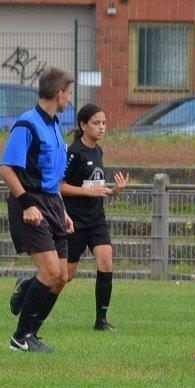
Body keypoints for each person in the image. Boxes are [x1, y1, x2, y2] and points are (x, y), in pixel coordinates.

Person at [0, 67, 76, 353]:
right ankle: (21, 337)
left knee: (62, 276)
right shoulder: (27, 124)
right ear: (59, 94)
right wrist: (27, 204)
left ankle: (31, 330)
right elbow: (6, 170)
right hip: (30, 202)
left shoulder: (55, 125)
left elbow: (53, 176)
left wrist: (63, 211)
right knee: (49, 270)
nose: (69, 99)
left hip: (52, 203)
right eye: (68, 93)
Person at [60, 103, 129, 330]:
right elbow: (60, 187)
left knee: (106, 262)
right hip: (75, 221)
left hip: (96, 219)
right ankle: (27, 286)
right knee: (65, 276)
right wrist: (87, 192)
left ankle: (101, 321)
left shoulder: (98, 151)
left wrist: (114, 191)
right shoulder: (73, 153)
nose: (101, 128)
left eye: (104, 123)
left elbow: (96, 185)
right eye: (96, 123)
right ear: (83, 125)